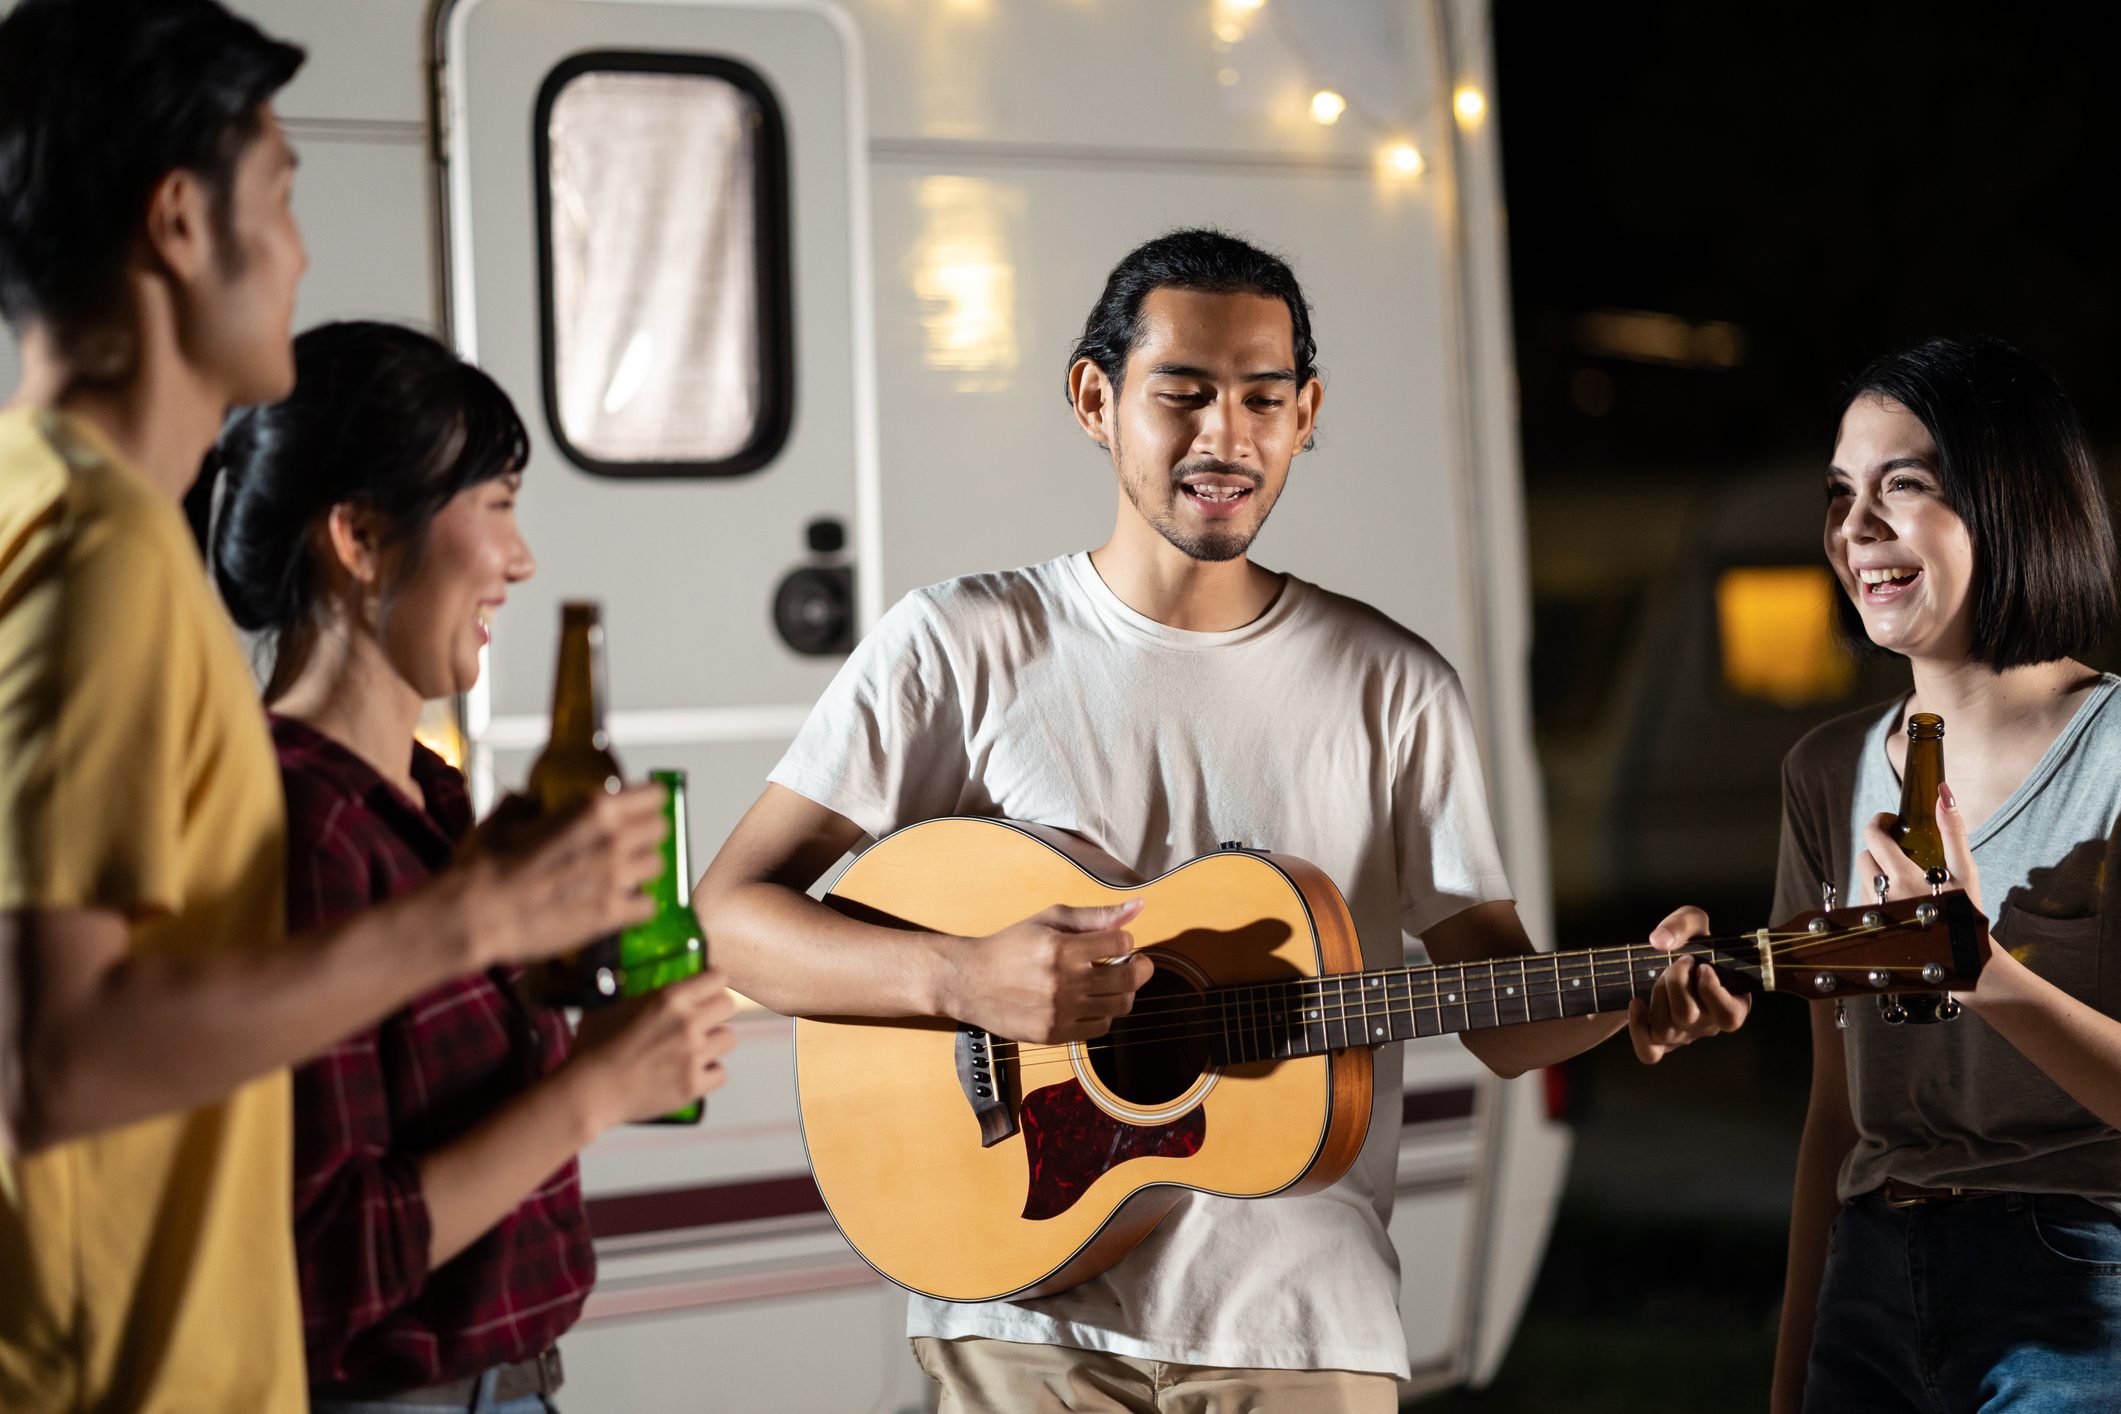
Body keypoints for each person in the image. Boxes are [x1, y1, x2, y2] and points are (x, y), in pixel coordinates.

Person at [698, 228, 1747, 1410]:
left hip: (1303, 1322)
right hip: (1022, 1315)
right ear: (1095, 400)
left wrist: (1636, 993)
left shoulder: (1394, 685)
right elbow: (731, 920)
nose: (1227, 437)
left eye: (1263, 397)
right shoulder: (958, 643)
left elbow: (1499, 1014)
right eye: (1183, 393)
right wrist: (966, 978)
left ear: (1307, 414)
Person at [0, 4, 668, 1409]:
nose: (301, 253)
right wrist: (473, 924)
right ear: (181, 221)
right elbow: (55, 1059)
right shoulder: (103, 550)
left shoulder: (45, 511)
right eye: (283, 192)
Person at [203, 320, 737, 1413]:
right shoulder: (302, 826)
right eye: (494, 505)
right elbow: (323, 1266)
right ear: (360, 536)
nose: (521, 558)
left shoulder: (432, 802)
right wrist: (595, 1091)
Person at [1648, 338, 2121, 1413]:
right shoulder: (1826, 773)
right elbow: (1837, 1116)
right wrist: (1792, 1381)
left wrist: (1978, 970)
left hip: (2079, 1287)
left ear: (2012, 500)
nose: (1853, 529)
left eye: (1901, 485)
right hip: (1868, 1278)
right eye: (1838, 493)